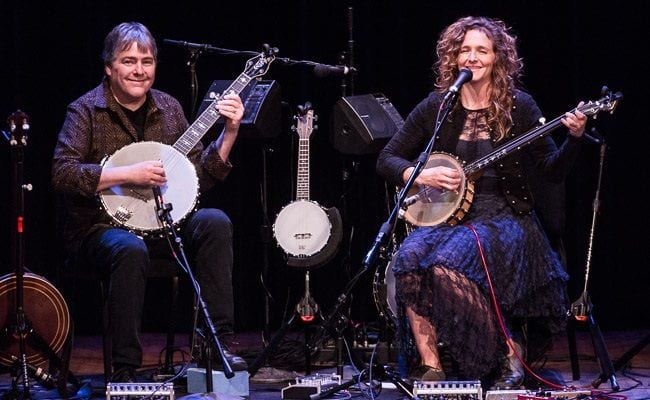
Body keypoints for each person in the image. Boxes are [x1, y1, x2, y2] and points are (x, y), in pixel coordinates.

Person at [376, 16, 587, 387]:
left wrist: (574, 139)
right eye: (465, 50)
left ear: (497, 59)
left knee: (446, 261)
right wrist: (417, 174)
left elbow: (552, 171)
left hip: (506, 218)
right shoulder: (438, 107)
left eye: (481, 51)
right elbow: (387, 158)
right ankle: (432, 364)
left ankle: (508, 354)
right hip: (449, 216)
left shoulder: (519, 106)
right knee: (408, 256)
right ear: (453, 58)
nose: (472, 58)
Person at [51, 22, 247, 381]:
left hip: (163, 222)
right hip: (99, 228)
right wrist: (126, 174)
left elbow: (198, 177)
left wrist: (230, 131)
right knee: (129, 248)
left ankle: (216, 345)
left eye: (147, 61)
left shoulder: (169, 107)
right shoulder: (85, 110)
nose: (139, 70)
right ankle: (125, 367)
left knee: (215, 220)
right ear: (109, 68)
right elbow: (62, 173)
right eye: (128, 61)